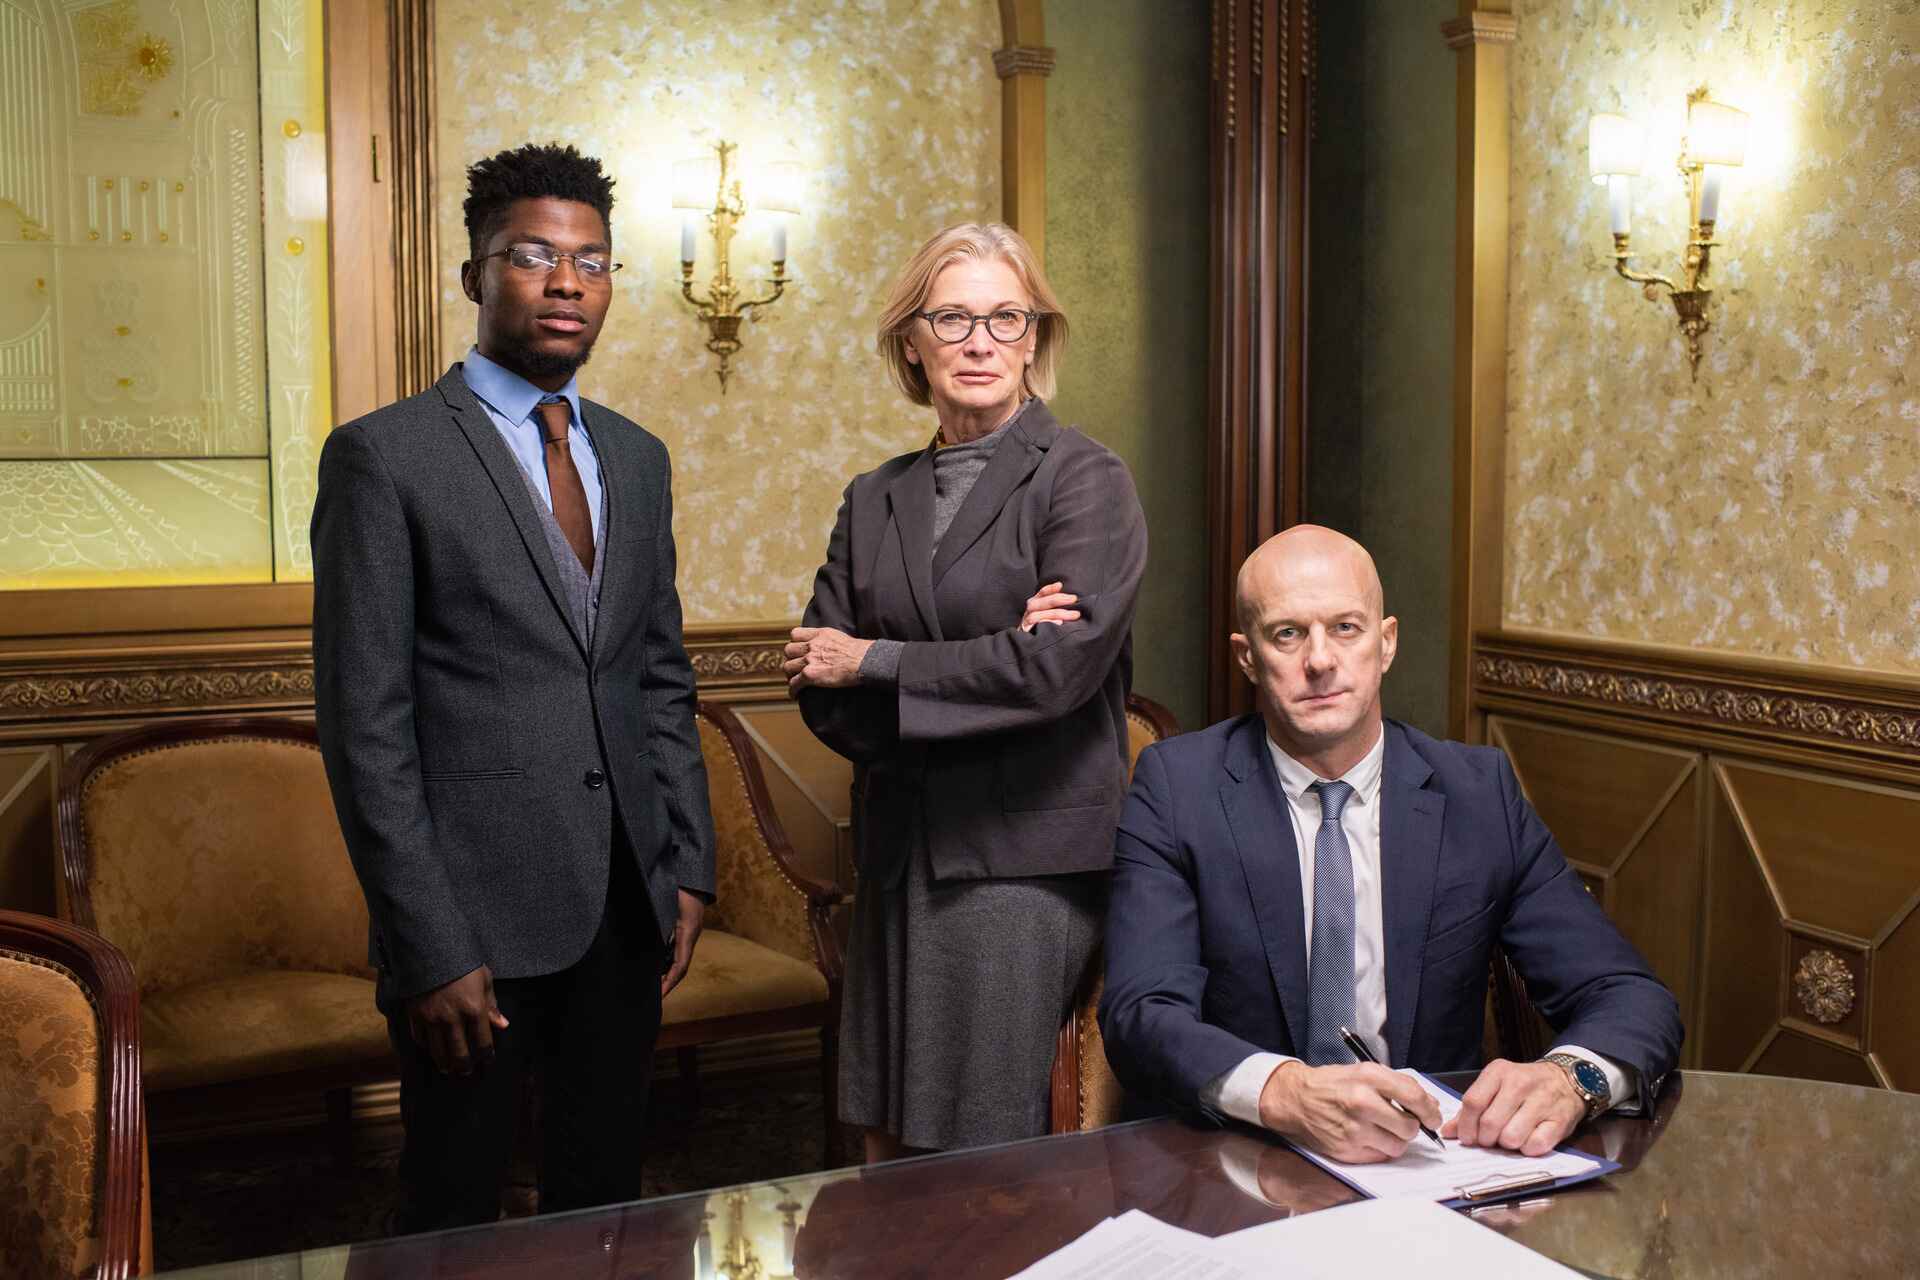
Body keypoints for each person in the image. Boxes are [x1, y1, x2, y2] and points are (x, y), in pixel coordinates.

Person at [311, 142, 714, 1229]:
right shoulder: (383, 457)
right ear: (475, 276)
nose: (567, 281)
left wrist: (686, 866)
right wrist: (427, 942)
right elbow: (366, 730)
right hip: (471, 929)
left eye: (592, 260)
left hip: (627, 908)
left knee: (609, 1206)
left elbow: (656, 674)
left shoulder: (636, 457)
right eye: (533, 255)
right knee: (452, 1206)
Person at [1100, 525, 1682, 1164]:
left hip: (1427, 1171)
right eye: (1287, 634)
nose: (1320, 660)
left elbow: (1630, 995)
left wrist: (1572, 1079)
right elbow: (1141, 1015)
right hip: (1238, 1163)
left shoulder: (1477, 794)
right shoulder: (1177, 788)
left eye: (1346, 628)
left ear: (1387, 643)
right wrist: (1285, 1092)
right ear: (1247, 658)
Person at [785, 222, 1147, 1160]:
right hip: (901, 850)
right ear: (913, 340)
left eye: (1005, 317)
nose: (979, 341)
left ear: (1036, 338)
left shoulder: (1085, 481)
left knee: (981, 1153)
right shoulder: (875, 496)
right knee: (879, 1126)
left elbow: (1057, 672)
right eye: (952, 318)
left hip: (1021, 862)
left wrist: (879, 660)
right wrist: (990, 669)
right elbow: (817, 687)